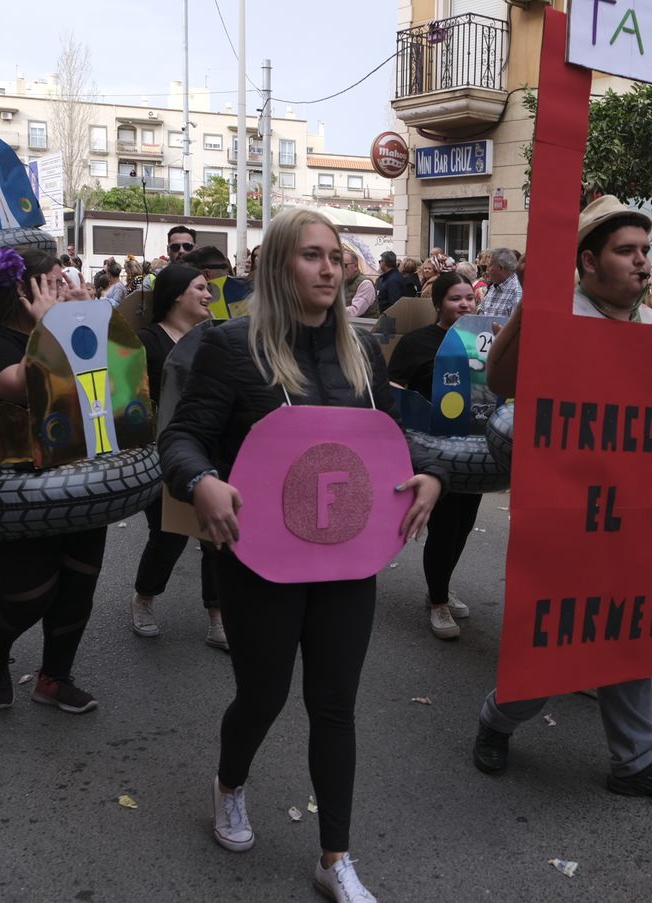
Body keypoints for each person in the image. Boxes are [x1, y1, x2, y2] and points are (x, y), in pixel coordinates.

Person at [158, 209, 444, 901]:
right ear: (281, 265)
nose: (329, 268)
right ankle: (230, 783)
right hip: (258, 558)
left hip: (347, 560)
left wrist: (430, 474)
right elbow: (180, 441)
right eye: (312, 256)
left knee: (335, 704)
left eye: (336, 257)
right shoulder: (231, 347)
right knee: (263, 694)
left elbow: (396, 440)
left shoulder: (362, 352)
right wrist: (203, 482)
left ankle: (334, 857)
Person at [472, 195, 652, 805]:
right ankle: (497, 720)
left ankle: (635, 759)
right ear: (586, 262)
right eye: (625, 251)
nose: (641, 263)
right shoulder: (558, 312)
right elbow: (500, 382)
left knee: (630, 628)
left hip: (633, 512)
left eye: (644, 251)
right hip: (566, 511)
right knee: (551, 651)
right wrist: (535, 304)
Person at [0, 248, 105, 714]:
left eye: (67, 282)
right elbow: (22, 386)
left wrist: (86, 318)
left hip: (74, 475)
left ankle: (54, 678)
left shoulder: (61, 329)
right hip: (8, 488)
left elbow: (108, 383)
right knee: (31, 592)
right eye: (56, 282)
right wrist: (51, 327)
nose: (66, 288)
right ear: (24, 291)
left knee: (78, 582)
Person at [123, 263, 228, 648]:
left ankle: (217, 616)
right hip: (161, 453)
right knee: (168, 535)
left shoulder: (218, 337)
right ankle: (144, 598)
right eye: (200, 288)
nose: (208, 295)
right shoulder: (145, 341)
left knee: (216, 535)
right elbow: (128, 399)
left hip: (212, 449)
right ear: (176, 294)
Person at [388, 271, 482, 640]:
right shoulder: (416, 343)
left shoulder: (482, 342)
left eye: (469, 299)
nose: (464, 305)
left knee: (463, 525)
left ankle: (439, 586)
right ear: (438, 303)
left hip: (476, 449)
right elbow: (393, 388)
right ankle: (438, 602)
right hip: (434, 451)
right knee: (444, 526)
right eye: (456, 299)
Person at [479, 247, 522, 317]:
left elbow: (517, 325)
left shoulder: (517, 290)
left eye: (489, 266)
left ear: (500, 268)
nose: (487, 270)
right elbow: (481, 315)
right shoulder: (494, 286)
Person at [341, 249, 377, 318]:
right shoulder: (343, 282)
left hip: (366, 326)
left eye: (344, 265)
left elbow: (355, 310)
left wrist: (333, 312)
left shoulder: (366, 284)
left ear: (355, 266)